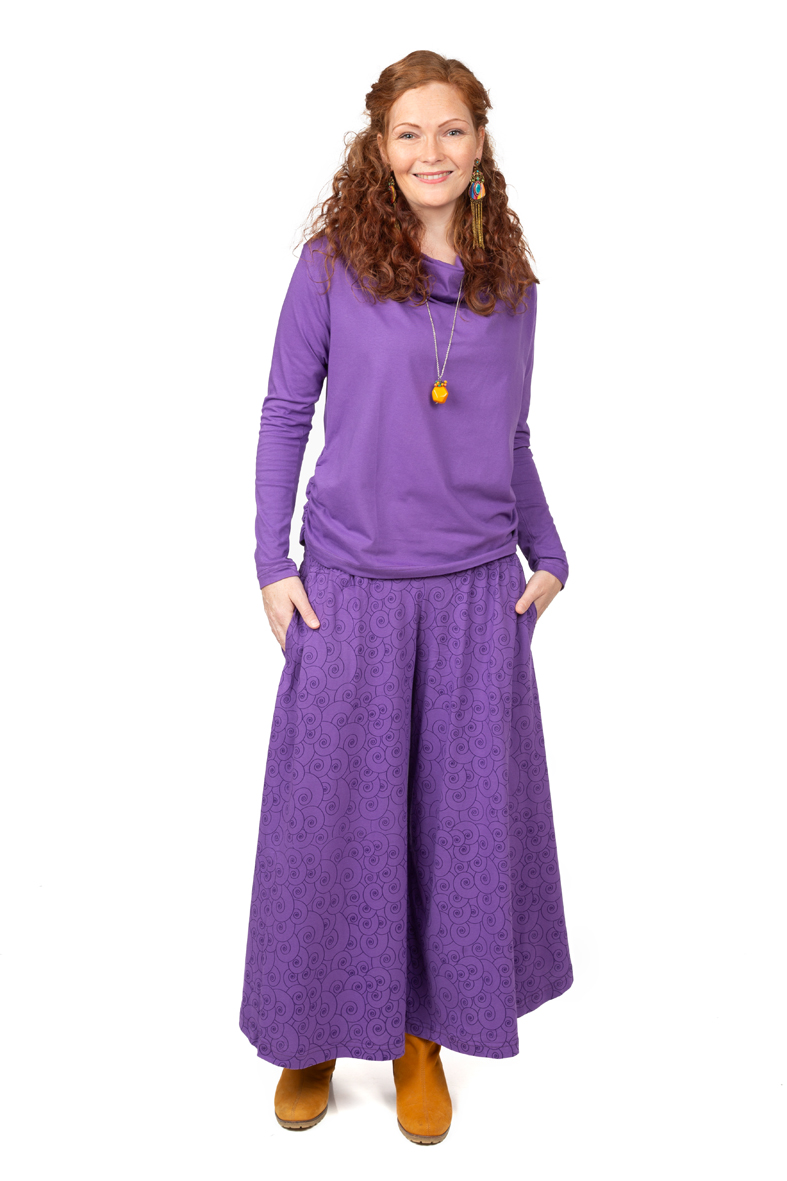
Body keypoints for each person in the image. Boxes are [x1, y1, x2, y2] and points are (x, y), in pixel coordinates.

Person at [239, 49, 574, 1146]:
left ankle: (420, 1040)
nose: (432, 151)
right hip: (351, 591)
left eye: (452, 130)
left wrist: (549, 552)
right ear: (378, 149)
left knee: (454, 836)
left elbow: (511, 436)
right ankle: (310, 1033)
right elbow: (285, 412)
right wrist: (272, 563)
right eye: (409, 133)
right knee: (328, 827)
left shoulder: (510, 287)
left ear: (480, 145)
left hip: (475, 599)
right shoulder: (331, 268)